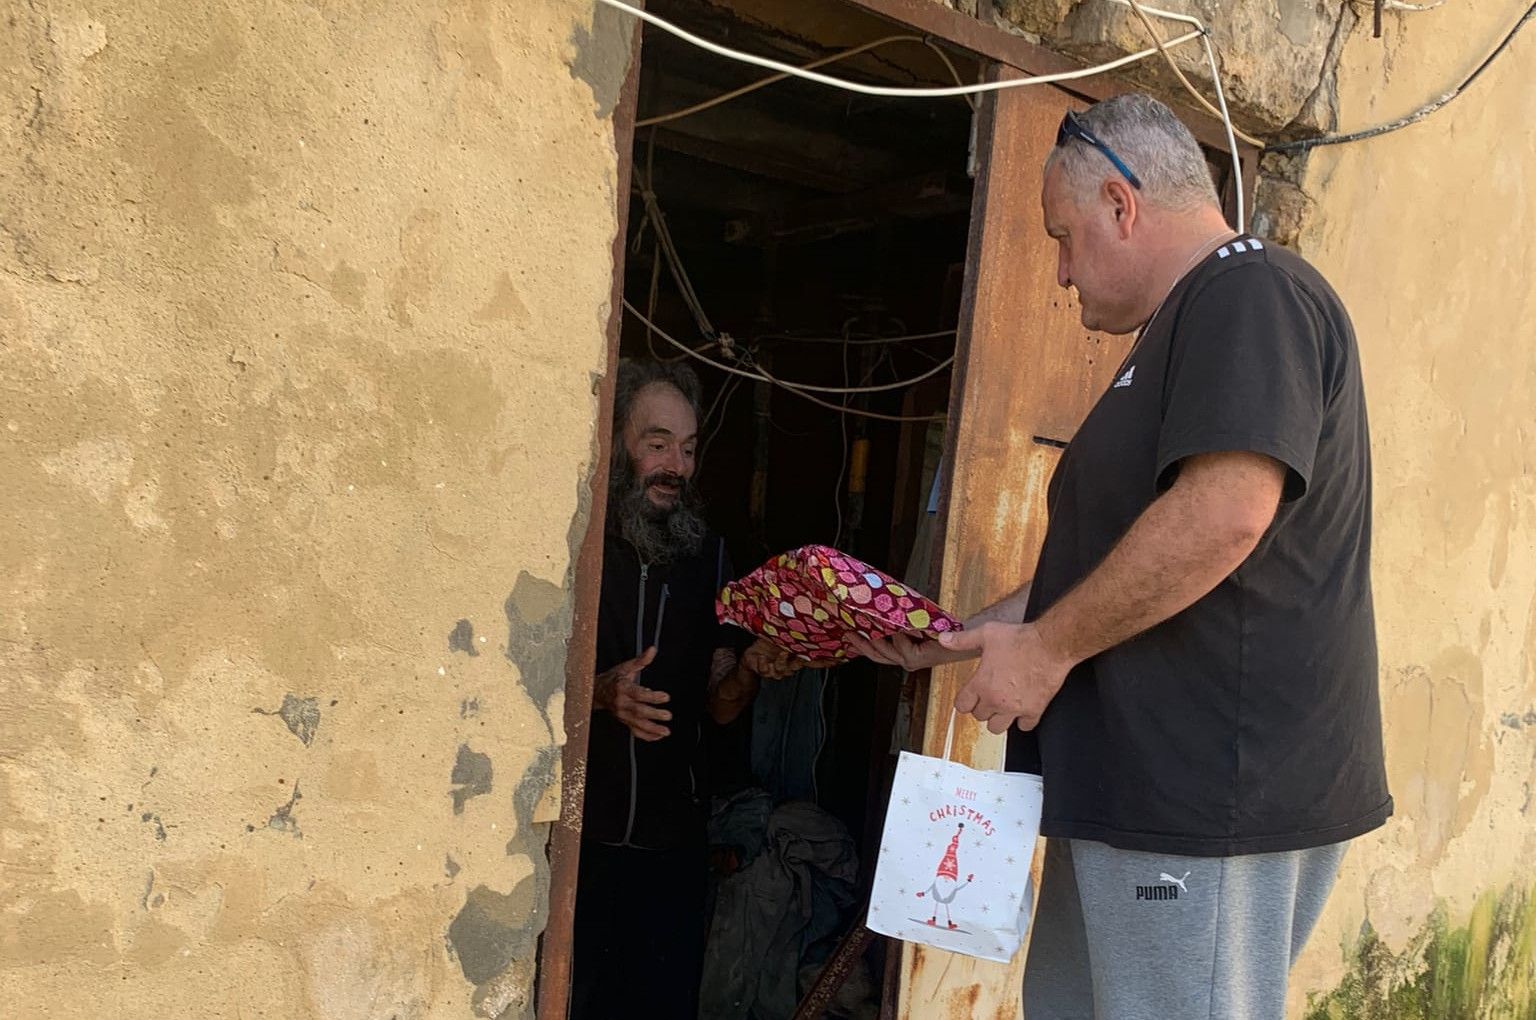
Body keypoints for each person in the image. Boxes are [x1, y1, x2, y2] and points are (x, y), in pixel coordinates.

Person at [851, 93, 1391, 1019]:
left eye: (1062, 236)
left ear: (1121, 203)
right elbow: (1100, 571)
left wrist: (1050, 651)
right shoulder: (1185, 329)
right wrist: (954, 639)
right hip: (1131, 796)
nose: (1060, 273)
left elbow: (1227, 511)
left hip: (1204, 801)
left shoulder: (1249, 290)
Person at [570, 358, 800, 1020]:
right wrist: (599, 691)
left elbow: (722, 702)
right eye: (657, 443)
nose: (677, 464)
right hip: (582, 840)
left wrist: (753, 665)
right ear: (618, 443)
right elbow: (514, 683)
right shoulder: (578, 546)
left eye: (689, 448)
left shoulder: (711, 557)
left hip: (674, 845)